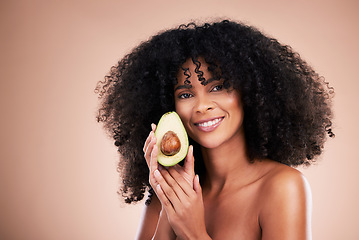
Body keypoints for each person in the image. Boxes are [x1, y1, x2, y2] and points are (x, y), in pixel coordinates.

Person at [95, 20, 334, 239]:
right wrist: (170, 209)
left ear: (250, 92)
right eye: (186, 94)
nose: (202, 106)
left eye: (218, 87)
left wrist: (194, 232)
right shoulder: (168, 192)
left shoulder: (282, 187)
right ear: (171, 106)